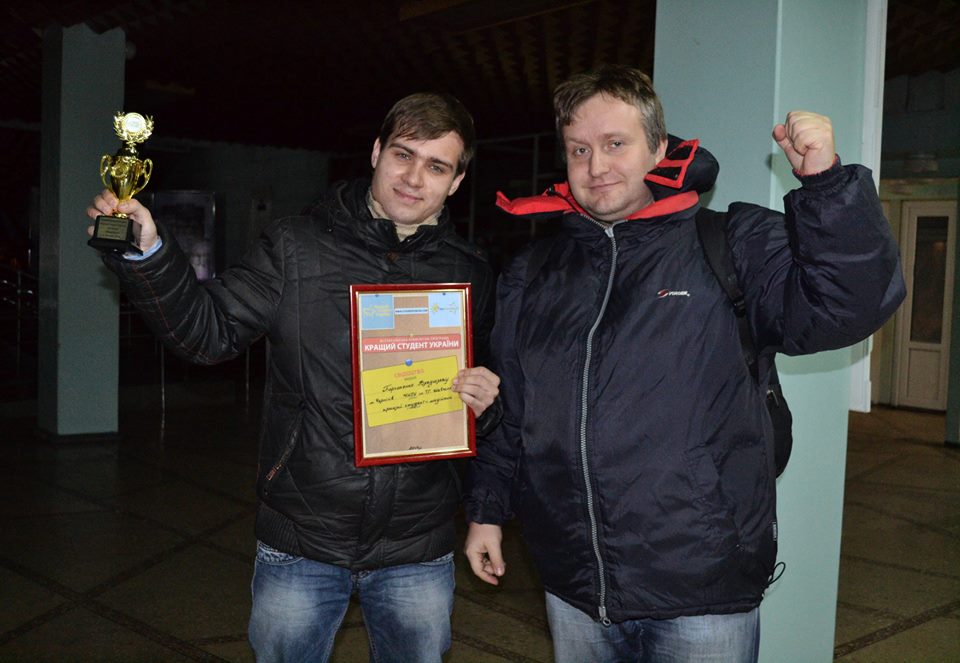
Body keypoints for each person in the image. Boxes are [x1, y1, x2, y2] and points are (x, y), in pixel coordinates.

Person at [463, 65, 905, 662]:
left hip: (703, 587)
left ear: (659, 150)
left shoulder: (731, 242)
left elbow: (849, 305)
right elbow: (513, 412)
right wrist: (486, 512)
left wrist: (825, 184)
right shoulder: (534, 271)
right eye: (579, 149)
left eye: (615, 144)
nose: (596, 166)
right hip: (574, 584)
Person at [87, 92, 501, 663]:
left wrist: (488, 406)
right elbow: (207, 334)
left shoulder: (469, 271)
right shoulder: (296, 247)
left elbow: (492, 400)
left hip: (418, 543)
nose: (413, 178)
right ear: (376, 153)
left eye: (436, 166)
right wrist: (149, 254)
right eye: (403, 155)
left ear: (456, 182)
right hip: (304, 536)